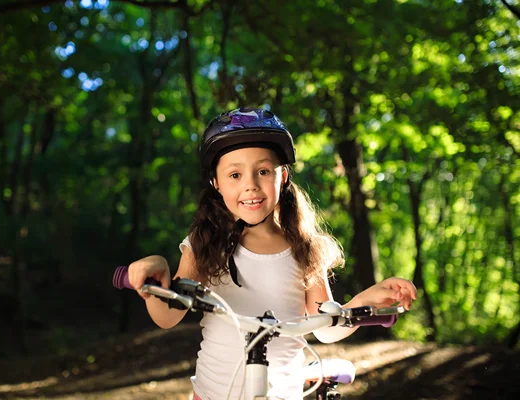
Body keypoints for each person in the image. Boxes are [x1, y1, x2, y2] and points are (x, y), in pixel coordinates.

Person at [125, 107, 417, 400]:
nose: (250, 184)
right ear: (216, 183)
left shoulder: (304, 248)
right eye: (235, 174)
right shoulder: (205, 243)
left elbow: (325, 327)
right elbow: (166, 316)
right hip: (213, 393)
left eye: (263, 171)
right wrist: (156, 270)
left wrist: (365, 300)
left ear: (284, 176)